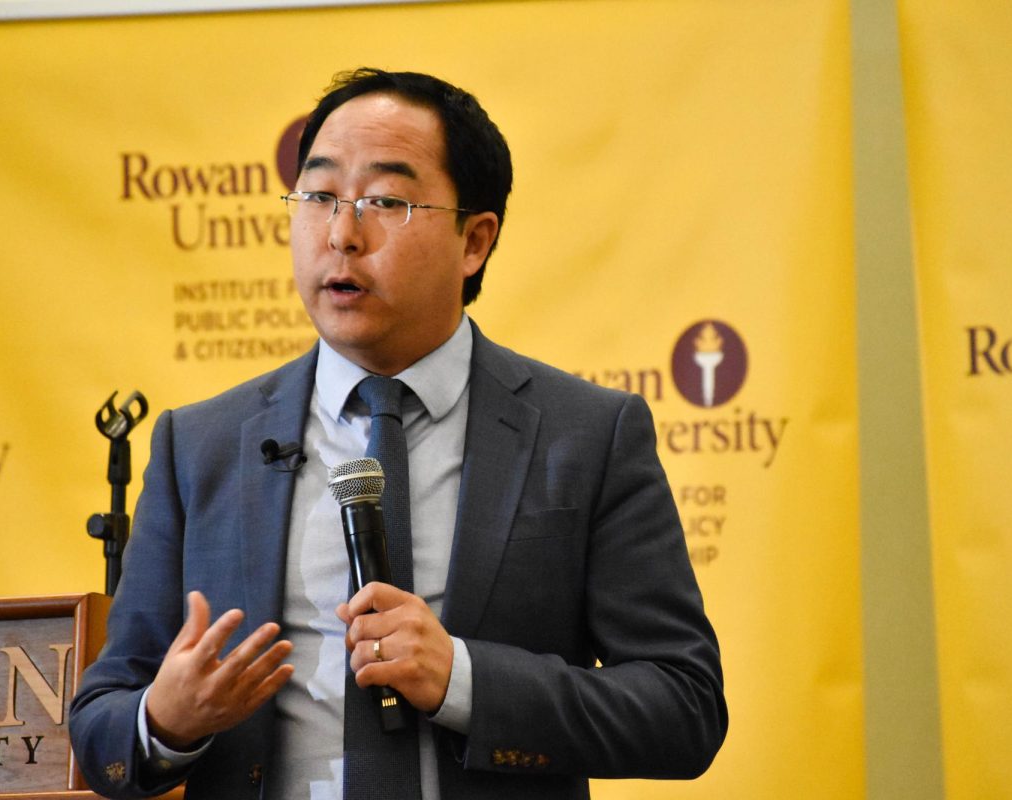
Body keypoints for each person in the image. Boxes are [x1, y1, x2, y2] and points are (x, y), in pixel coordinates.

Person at [69, 68, 726, 800]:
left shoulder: (585, 436)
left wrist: (466, 679)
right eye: (318, 196)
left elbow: (684, 706)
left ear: (474, 241)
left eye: (385, 201)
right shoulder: (201, 446)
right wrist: (167, 720)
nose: (342, 235)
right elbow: (102, 732)